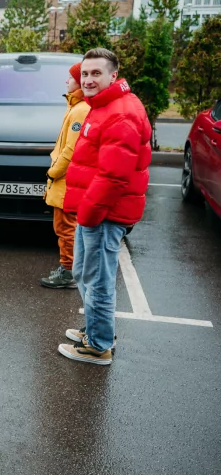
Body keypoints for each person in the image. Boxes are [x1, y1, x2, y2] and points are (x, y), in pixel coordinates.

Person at [59, 48, 151, 366]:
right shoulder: (104, 106)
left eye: (96, 73)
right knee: (85, 273)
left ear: (114, 75)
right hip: (97, 211)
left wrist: (88, 214)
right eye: (85, 74)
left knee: (97, 279)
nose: (88, 79)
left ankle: (98, 346)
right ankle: (99, 331)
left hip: (103, 214)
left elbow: (114, 175)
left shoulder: (120, 112)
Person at [40, 62, 90, 289]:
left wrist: (53, 172)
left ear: (78, 81)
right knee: (67, 228)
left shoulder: (80, 109)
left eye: (69, 78)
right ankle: (68, 268)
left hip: (65, 181)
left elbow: (70, 150)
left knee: (66, 228)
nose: (66, 81)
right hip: (67, 180)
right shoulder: (76, 106)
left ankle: (68, 272)